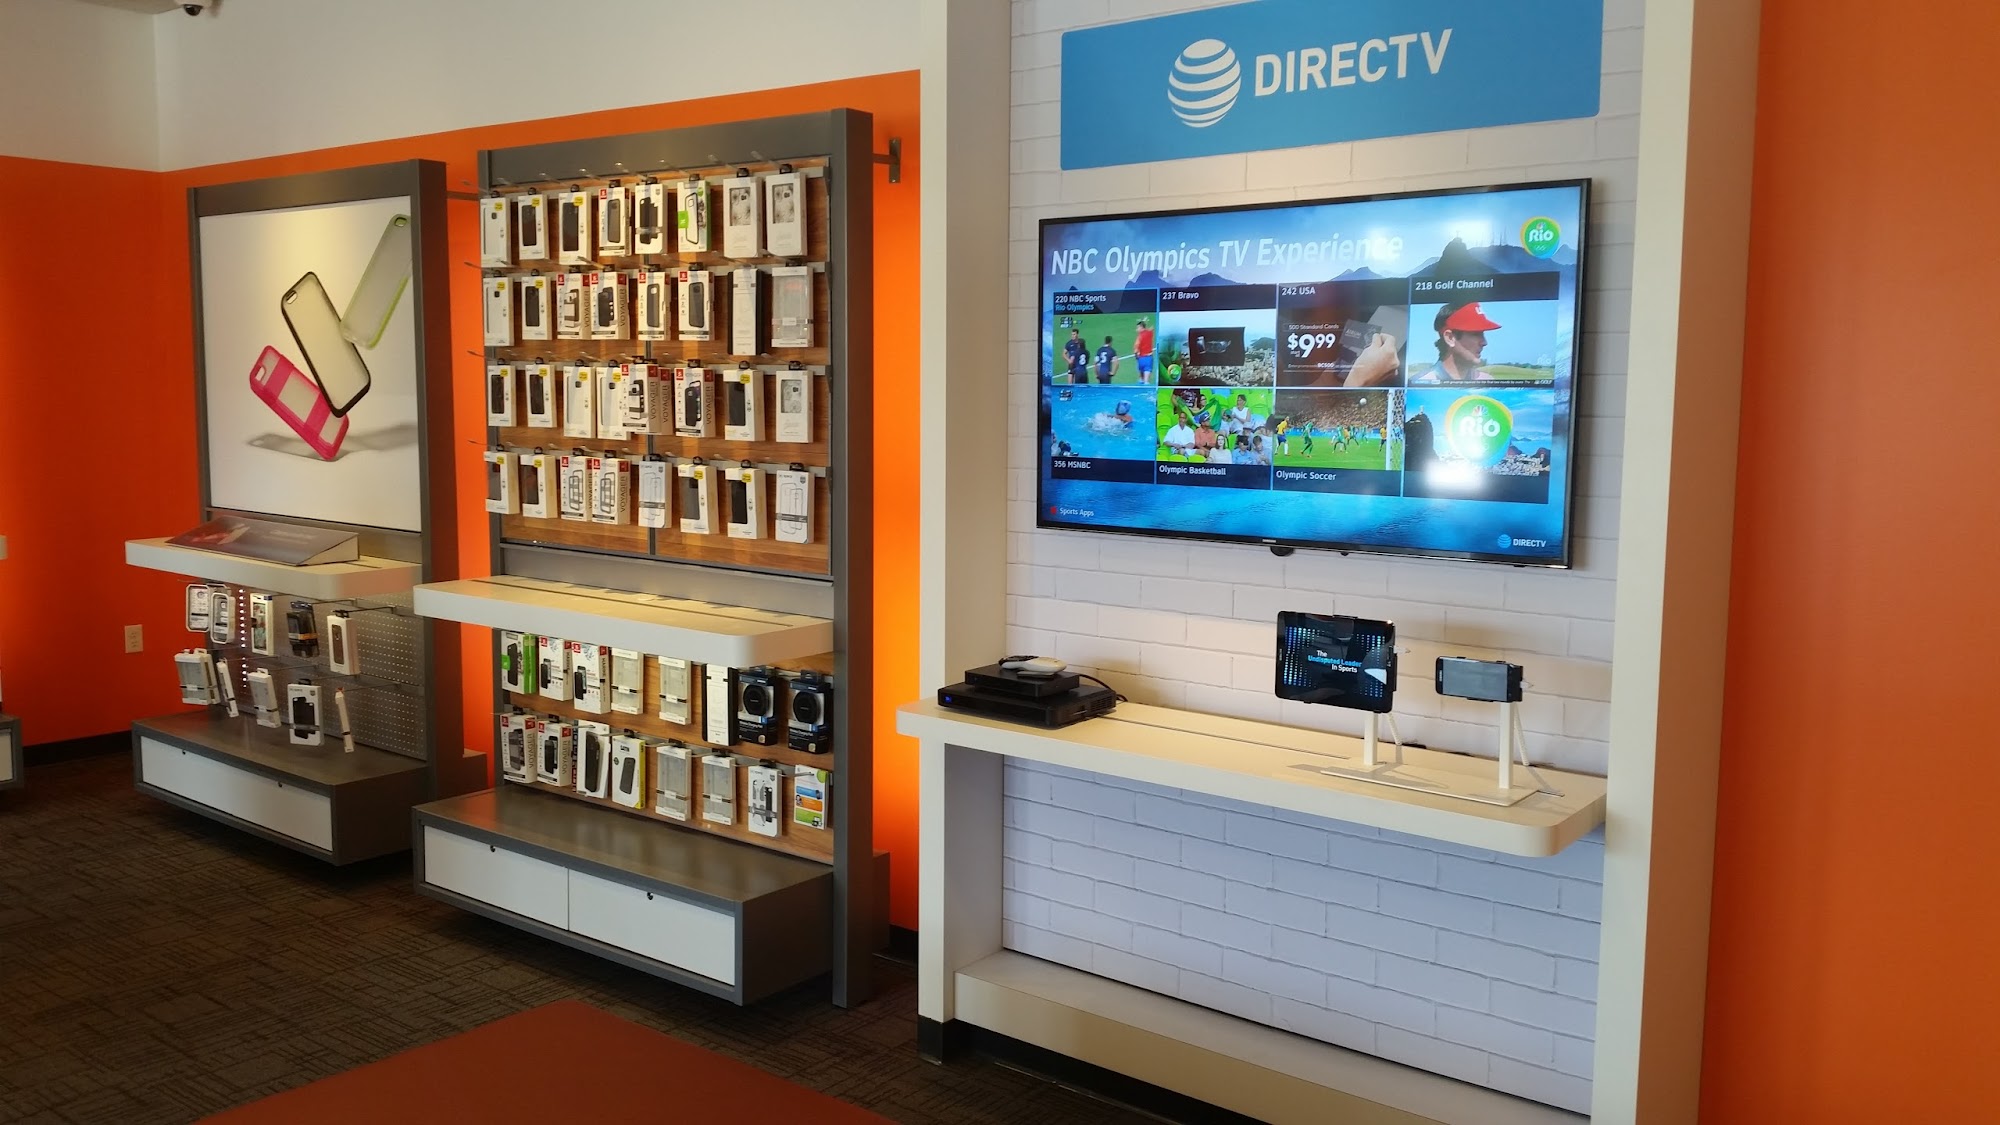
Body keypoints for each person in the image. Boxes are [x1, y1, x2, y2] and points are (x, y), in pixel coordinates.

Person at [1414, 303, 1502, 383]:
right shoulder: (1419, 384)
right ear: (1450, 338)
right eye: (1475, 334)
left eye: (1482, 334)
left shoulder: (1487, 382)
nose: (1484, 342)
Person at [1133, 318, 1155, 384]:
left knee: (1141, 379)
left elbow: (1135, 350)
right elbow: (1152, 328)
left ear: (1141, 327)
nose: (1136, 329)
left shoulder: (1139, 337)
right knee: (1146, 381)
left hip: (1141, 359)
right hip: (1148, 359)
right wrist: (1145, 322)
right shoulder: (1150, 333)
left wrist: (1136, 356)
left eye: (1138, 328)